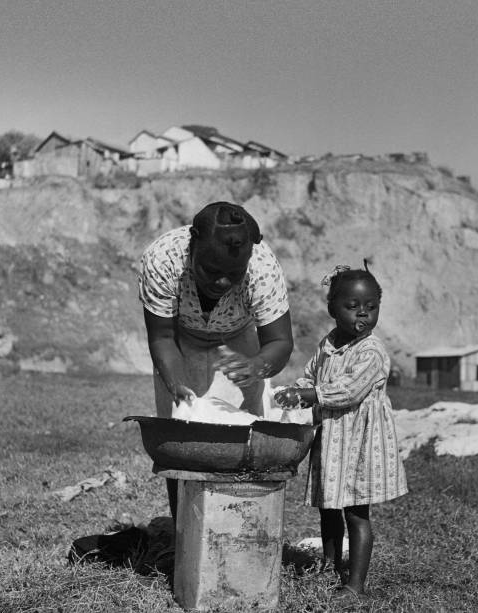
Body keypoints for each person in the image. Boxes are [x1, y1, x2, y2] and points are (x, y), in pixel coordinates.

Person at [138, 201, 294, 521]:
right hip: (181, 339)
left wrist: (256, 365)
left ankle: (242, 524)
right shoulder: (162, 259)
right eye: (210, 270)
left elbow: (279, 342)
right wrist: (176, 384)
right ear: (192, 247)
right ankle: (186, 532)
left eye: (233, 274)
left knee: (250, 435)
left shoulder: (262, 268)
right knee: (180, 435)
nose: (222, 283)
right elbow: (162, 338)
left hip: (238, 336)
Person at [275, 261, 407, 605]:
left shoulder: (371, 351)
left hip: (360, 442)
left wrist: (310, 395)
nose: (362, 315)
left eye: (370, 307)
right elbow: (313, 375)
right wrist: (296, 389)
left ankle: (356, 585)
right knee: (328, 508)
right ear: (332, 308)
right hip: (333, 439)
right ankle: (330, 567)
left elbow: (348, 390)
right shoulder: (330, 342)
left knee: (356, 514)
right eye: (351, 307)